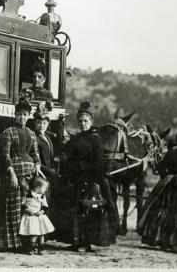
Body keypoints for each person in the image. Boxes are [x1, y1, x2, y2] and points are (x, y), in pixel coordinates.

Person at [61, 101, 119, 252]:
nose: (82, 123)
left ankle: (87, 242)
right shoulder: (77, 138)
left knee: (90, 210)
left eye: (85, 121)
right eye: (80, 121)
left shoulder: (96, 138)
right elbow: (67, 152)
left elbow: (99, 162)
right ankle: (77, 241)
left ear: (91, 121)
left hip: (92, 177)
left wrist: (81, 167)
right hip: (77, 178)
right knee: (77, 210)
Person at [0, 96, 43, 251]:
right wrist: (12, 174)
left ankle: (29, 243)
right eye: (19, 114)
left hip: (30, 175)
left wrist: (37, 165)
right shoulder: (8, 131)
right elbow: (5, 155)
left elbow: (35, 154)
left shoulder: (32, 133)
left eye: (25, 114)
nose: (22, 117)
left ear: (28, 116)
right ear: (15, 115)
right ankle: (13, 243)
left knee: (30, 207)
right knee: (13, 208)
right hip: (14, 173)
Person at [30, 101, 59, 231]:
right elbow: (34, 159)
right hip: (39, 175)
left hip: (48, 176)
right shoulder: (34, 138)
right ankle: (36, 235)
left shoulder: (47, 137)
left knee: (46, 204)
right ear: (34, 123)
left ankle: (44, 235)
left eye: (44, 123)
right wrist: (48, 171)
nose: (41, 126)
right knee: (38, 206)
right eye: (38, 122)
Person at [19, 176, 54, 255]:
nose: (45, 190)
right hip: (30, 216)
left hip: (38, 216)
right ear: (38, 188)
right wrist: (27, 210)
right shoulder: (27, 194)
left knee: (41, 232)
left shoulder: (42, 196)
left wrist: (41, 211)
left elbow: (45, 206)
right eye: (45, 188)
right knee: (33, 233)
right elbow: (22, 204)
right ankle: (31, 248)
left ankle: (41, 248)